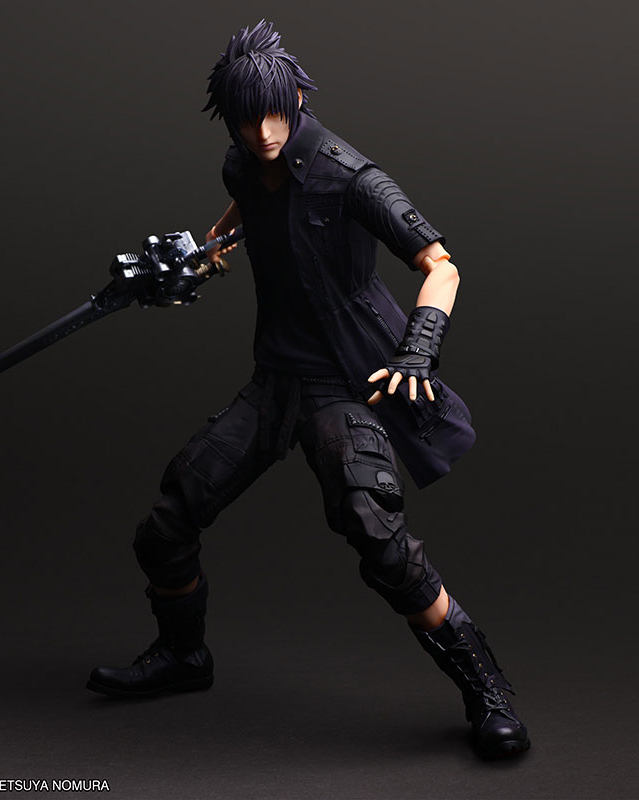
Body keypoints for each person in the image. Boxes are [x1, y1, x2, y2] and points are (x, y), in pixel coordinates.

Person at [87, 20, 530, 759]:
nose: (262, 133)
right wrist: (204, 254)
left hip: (344, 383)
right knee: (167, 523)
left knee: (377, 537)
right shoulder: (241, 164)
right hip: (275, 380)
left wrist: (418, 351)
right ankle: (184, 655)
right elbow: (245, 208)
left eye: (273, 114)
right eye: (244, 119)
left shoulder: (351, 176)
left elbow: (441, 265)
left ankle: (488, 692)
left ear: (295, 98)